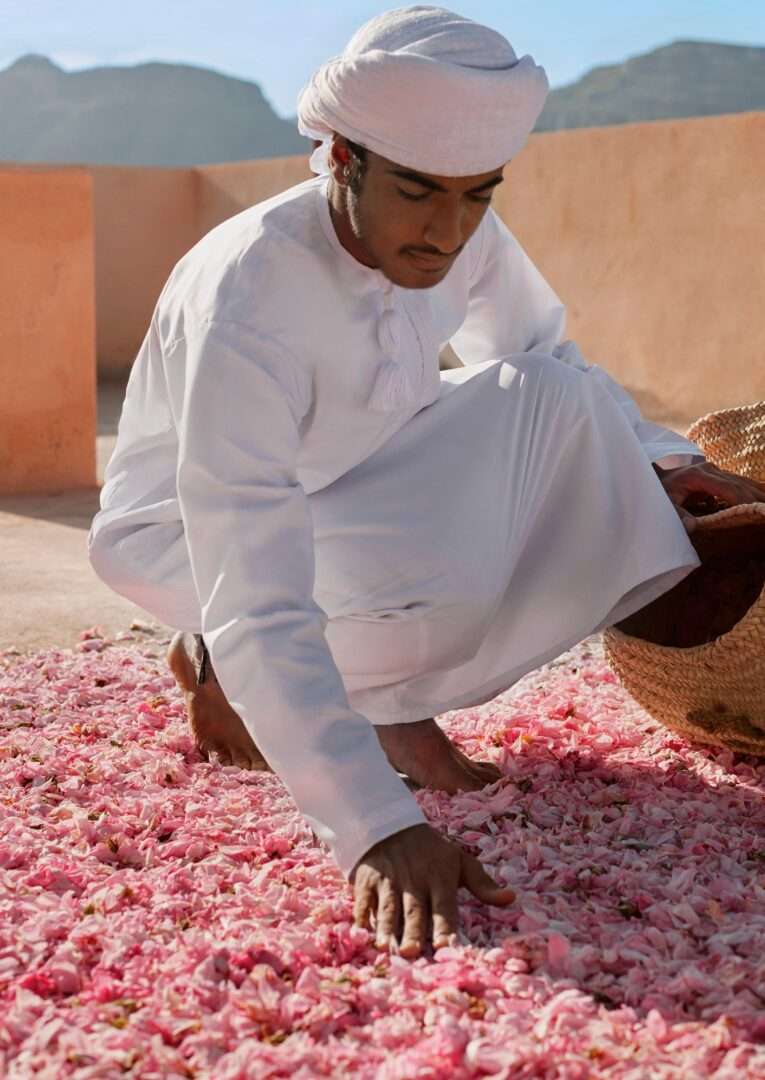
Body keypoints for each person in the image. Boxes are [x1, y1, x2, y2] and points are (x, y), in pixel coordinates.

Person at [88, 6, 765, 957]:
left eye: (477, 195)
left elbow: (542, 360)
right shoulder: (247, 300)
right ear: (339, 157)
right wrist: (371, 826)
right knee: (433, 592)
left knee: (558, 397)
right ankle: (255, 670)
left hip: (353, 482)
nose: (446, 231)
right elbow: (256, 575)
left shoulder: (455, 229)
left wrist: (667, 462)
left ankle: (381, 695)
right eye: (416, 193)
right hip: (195, 539)